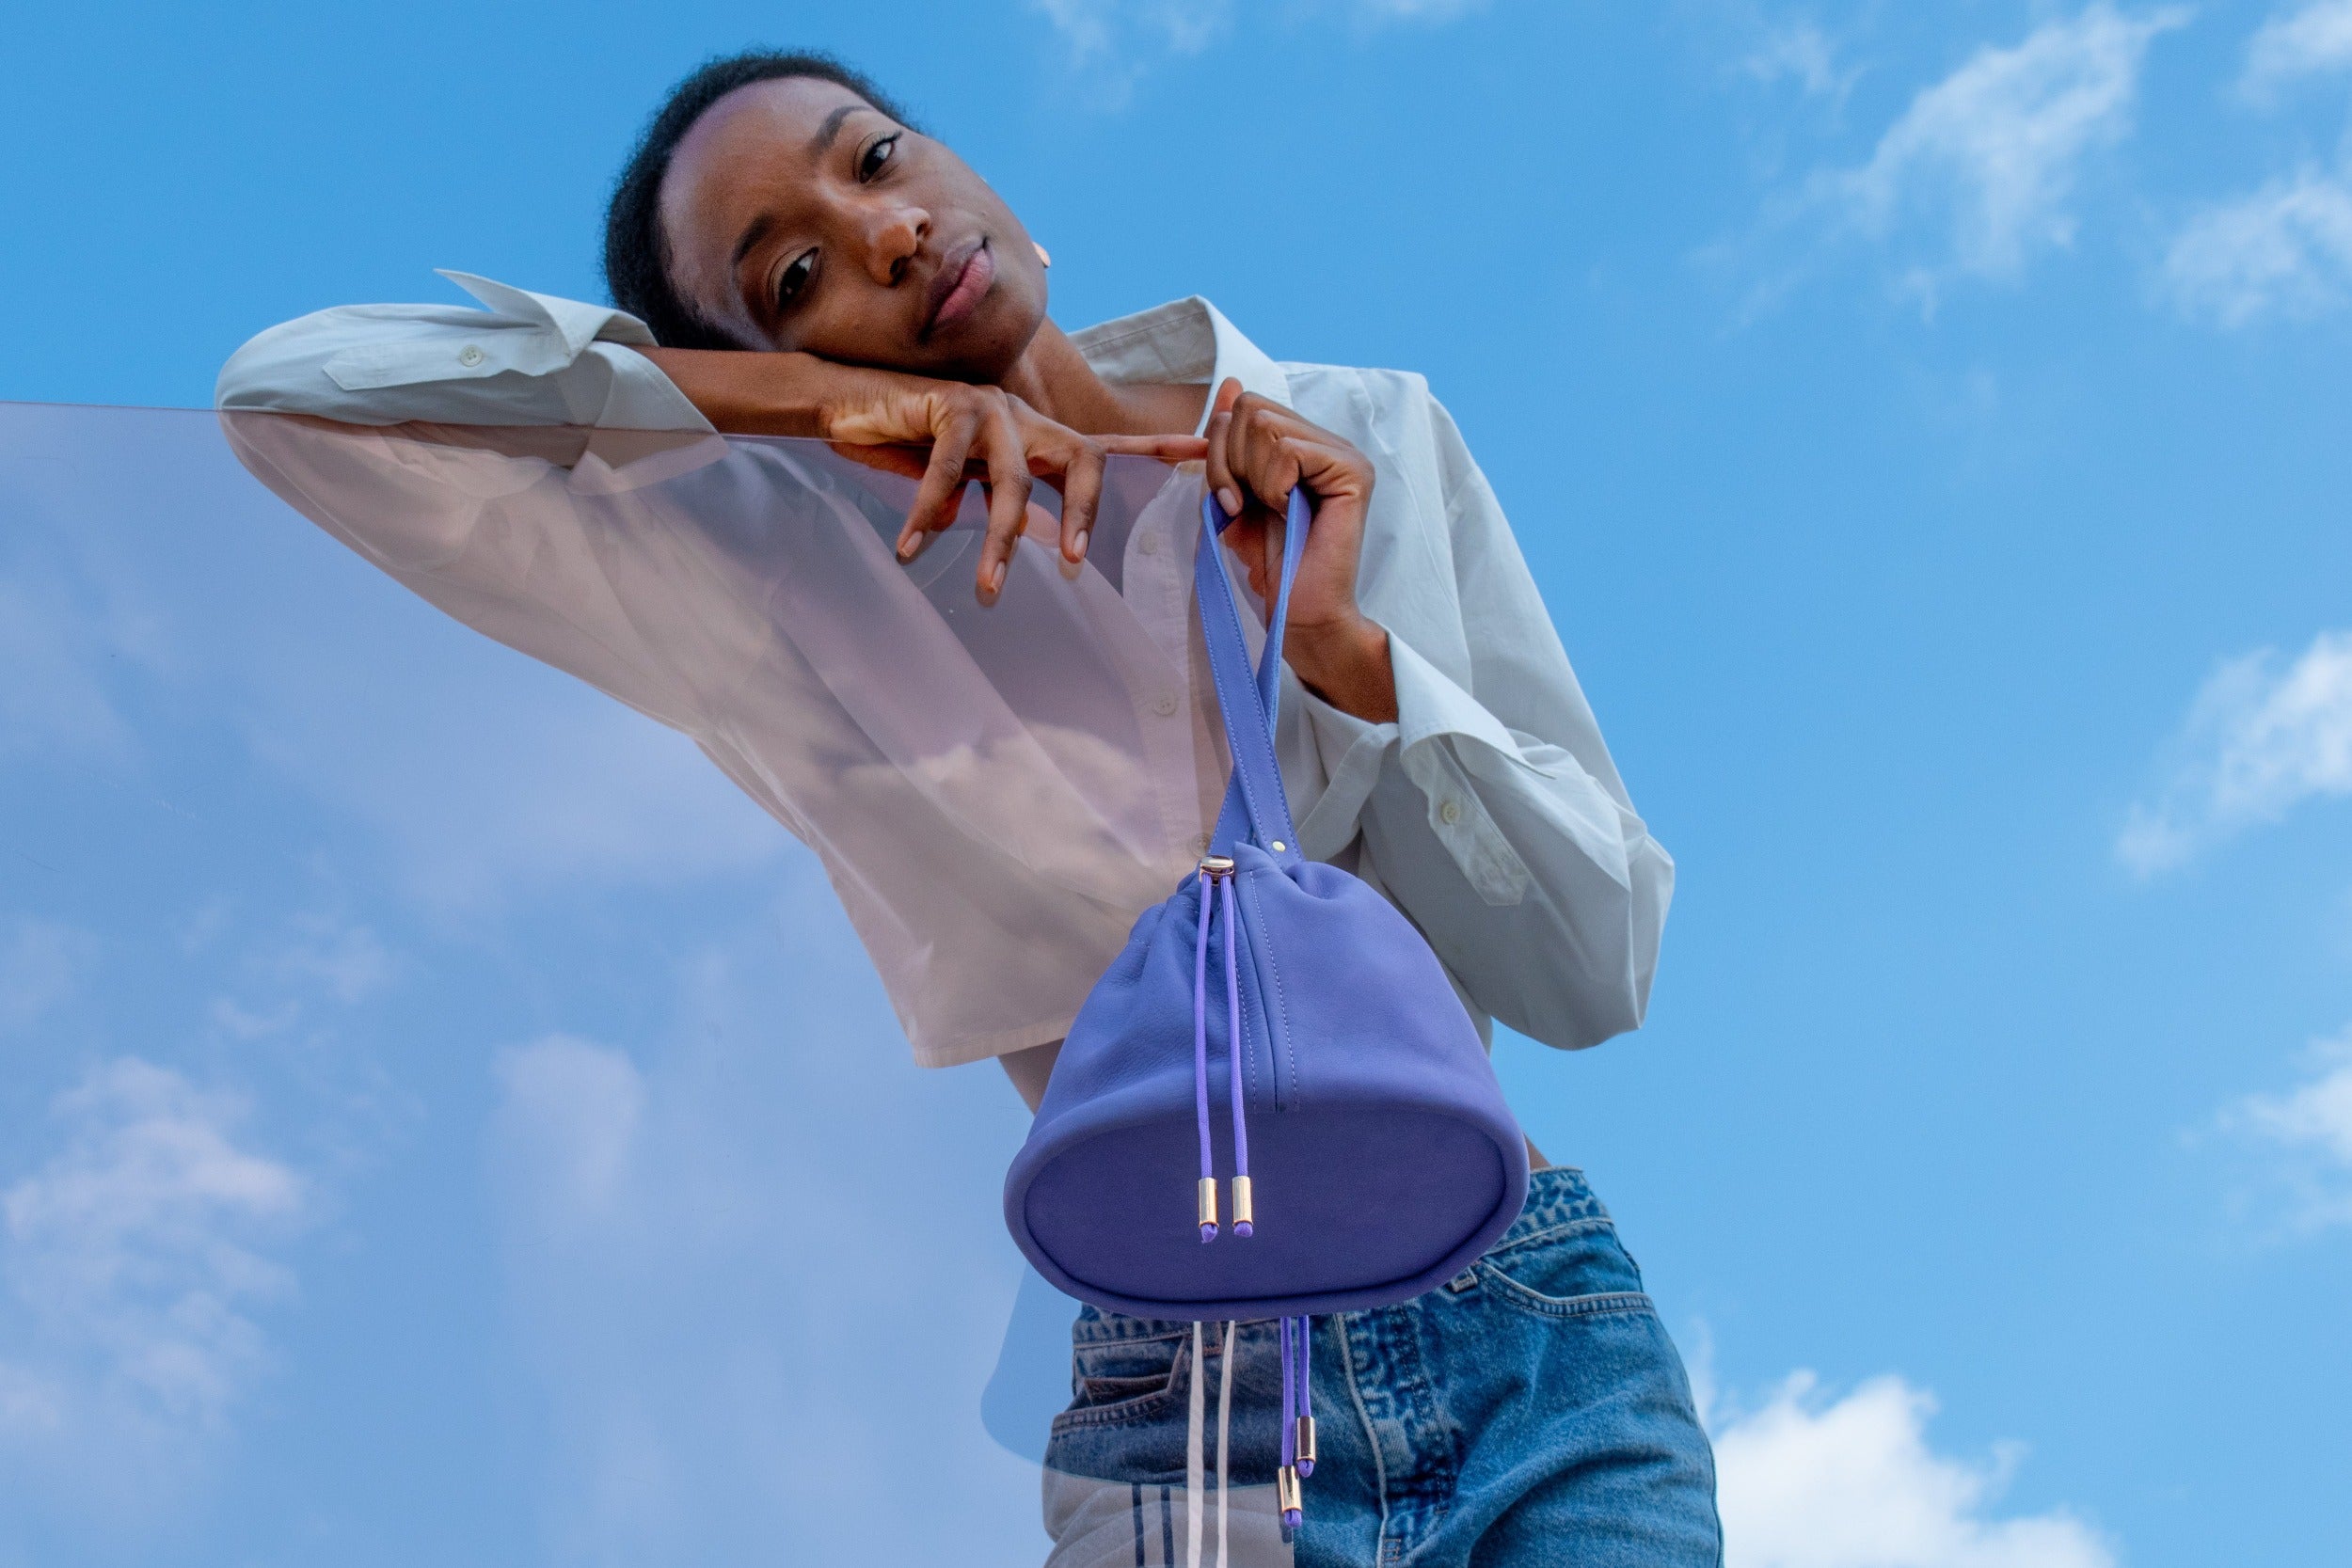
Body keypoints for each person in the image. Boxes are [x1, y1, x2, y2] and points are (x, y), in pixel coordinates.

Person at [218, 50, 1718, 1567]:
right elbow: (286, 397)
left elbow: (1597, 968)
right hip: (1190, 1396)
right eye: (797, 275)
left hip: (1537, 1326)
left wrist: (1345, 654)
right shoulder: (777, 583)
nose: (889, 235)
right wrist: (796, 405)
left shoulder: (1354, 434)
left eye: (874, 161)